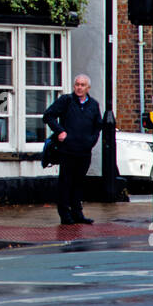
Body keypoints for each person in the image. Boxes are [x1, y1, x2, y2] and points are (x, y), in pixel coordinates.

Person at [43, 74, 102, 225]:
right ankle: (65, 214)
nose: (79, 87)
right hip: (68, 150)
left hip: (84, 151)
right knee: (65, 182)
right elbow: (48, 116)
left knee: (79, 183)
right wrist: (60, 131)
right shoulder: (66, 101)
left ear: (88, 88)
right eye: (77, 84)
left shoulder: (94, 105)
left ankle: (77, 213)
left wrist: (91, 141)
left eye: (82, 85)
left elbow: (97, 126)